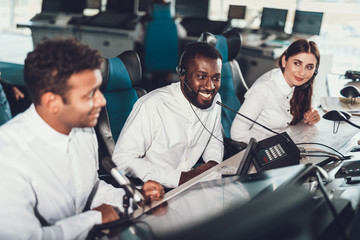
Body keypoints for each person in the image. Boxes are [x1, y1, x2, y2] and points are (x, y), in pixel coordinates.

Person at [0, 38, 164, 239]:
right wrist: (93, 219)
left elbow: (91, 189)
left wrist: (134, 196)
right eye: (90, 94)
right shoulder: (7, 156)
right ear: (52, 102)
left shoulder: (83, 131)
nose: (102, 101)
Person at [112, 42, 224, 189]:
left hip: (192, 185)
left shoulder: (215, 100)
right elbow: (122, 159)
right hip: (155, 189)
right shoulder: (152, 106)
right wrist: (178, 178)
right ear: (182, 74)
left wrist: (212, 163)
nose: (210, 87)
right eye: (202, 77)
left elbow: (214, 139)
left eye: (216, 78)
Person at [230, 39, 321, 143]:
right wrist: (274, 142)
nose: (302, 72)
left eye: (309, 67)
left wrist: (312, 112)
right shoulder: (263, 89)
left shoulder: (303, 84)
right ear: (284, 61)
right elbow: (237, 133)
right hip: (262, 150)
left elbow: (309, 105)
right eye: (297, 63)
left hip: (292, 141)